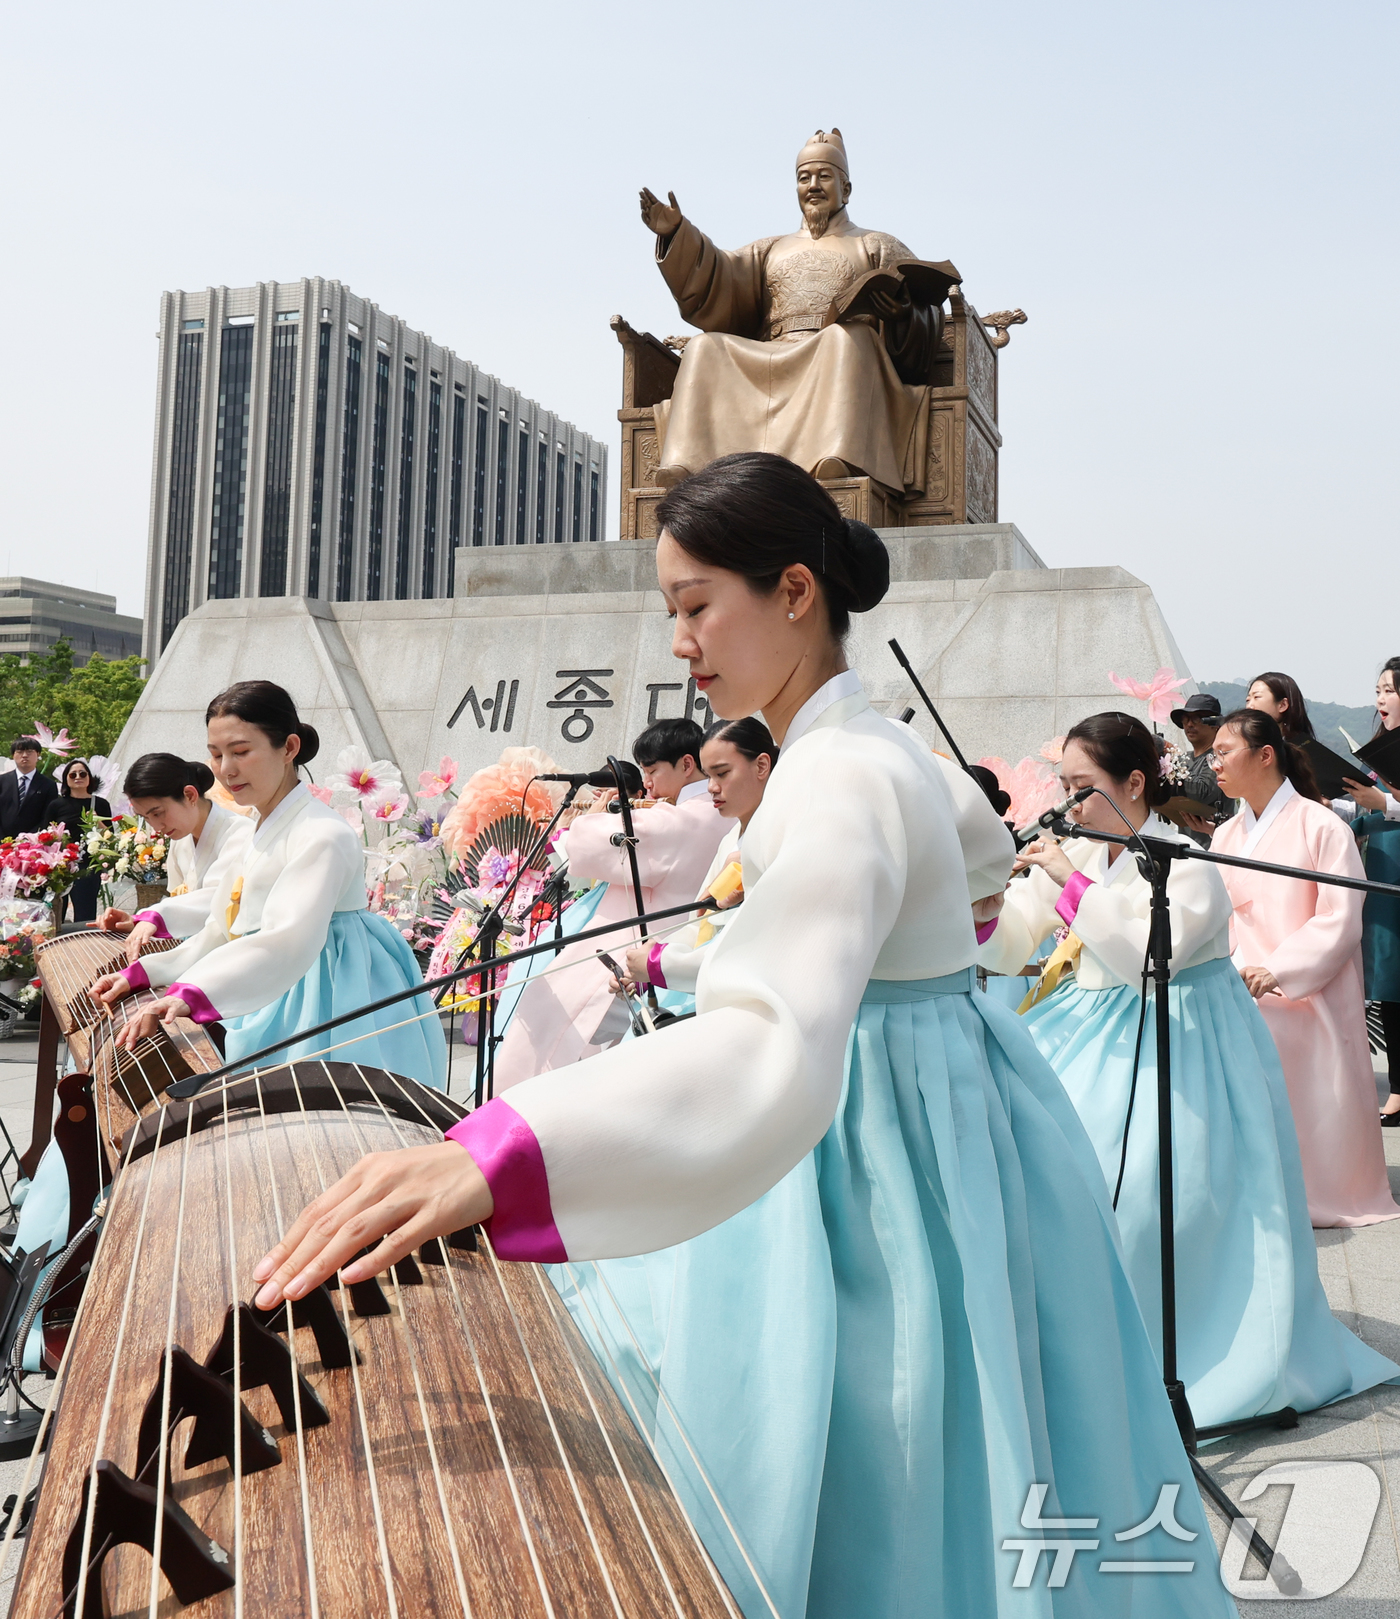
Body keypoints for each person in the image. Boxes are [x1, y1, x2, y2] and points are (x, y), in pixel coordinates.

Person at [253, 453, 1233, 1619]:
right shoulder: (879, 752)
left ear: (794, 591)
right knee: (972, 1430)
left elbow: (772, 1030)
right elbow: (976, 866)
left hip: (856, 1131)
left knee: (875, 1449)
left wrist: (495, 1150)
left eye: (695, 603)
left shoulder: (838, 775)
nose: (680, 640)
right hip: (927, 1103)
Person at [978, 711, 1397, 1429]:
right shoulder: (1086, 852)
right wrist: (985, 903)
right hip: (1095, 1038)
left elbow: (1149, 955)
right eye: (1067, 788)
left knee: (1155, 1198)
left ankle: (1189, 1357)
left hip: (1185, 1047)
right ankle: (1081, 1356)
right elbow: (1016, 935)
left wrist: (1070, 886)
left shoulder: (1183, 856)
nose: (1070, 806)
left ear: (1134, 782)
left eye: (1084, 788)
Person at [89, 681, 446, 1089]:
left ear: (289, 748)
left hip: (329, 985)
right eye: (216, 754)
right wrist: (145, 972)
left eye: (241, 752)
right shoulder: (257, 829)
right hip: (266, 977)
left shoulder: (322, 834)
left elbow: (285, 939)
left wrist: (192, 993)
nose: (226, 769)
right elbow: (224, 928)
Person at [1210, 707, 1400, 1226]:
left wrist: (1279, 970)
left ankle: (1318, 1190)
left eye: (1223, 753)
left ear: (1265, 754)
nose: (1214, 765)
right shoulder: (1225, 835)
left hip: (1306, 985)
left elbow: (1340, 916)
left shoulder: (1320, 825)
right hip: (1241, 982)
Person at [492, 717, 731, 1088]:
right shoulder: (722, 816)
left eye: (652, 771)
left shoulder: (684, 818)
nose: (647, 782)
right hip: (683, 951)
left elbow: (585, 846)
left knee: (546, 1028)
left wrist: (599, 813)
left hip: (643, 953)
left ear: (687, 765)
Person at [622, 716, 776, 996]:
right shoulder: (731, 838)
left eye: (722, 773)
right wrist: (648, 972)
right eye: (709, 776)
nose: (711, 787)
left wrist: (659, 964)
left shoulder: (779, 838)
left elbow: (755, 949)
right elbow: (697, 922)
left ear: (762, 766)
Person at [95, 754, 254, 957]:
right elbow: (180, 907)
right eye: (146, 817)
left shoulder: (241, 832)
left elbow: (218, 898)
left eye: (158, 813)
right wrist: (135, 921)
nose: (156, 826)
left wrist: (153, 917)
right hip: (195, 952)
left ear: (189, 795)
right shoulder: (180, 840)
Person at [1340, 659, 1400, 1122]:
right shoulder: (1379, 753)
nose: (1380, 699)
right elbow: (1369, 815)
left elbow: (1385, 807)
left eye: (1389, 690)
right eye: (1377, 690)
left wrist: (1387, 802)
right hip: (1381, 871)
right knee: (1388, 982)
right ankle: (1397, 1087)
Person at [52, 759, 112, 923]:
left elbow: (110, 836)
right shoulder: (56, 805)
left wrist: (97, 822)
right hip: (61, 865)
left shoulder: (100, 804)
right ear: (66, 779)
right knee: (56, 911)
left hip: (88, 865)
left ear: (89, 778)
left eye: (83, 773)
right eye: (73, 774)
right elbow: (47, 834)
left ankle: (85, 945)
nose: (78, 777)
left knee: (85, 914)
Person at [1168, 692, 1230, 840]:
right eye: (1185, 719)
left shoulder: (1221, 757)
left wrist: (1166, 776)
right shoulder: (1183, 758)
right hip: (1187, 846)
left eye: (1197, 719)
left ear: (1215, 725)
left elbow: (1203, 791)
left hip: (1215, 846)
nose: (1189, 724)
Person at [0, 738, 59, 838]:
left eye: (29, 752)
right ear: (13, 755)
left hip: (33, 843)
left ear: (38, 754)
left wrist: (29, 839)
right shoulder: (2, 781)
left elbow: (47, 817)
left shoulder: (48, 785)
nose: (24, 755)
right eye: (20, 751)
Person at [1246, 670, 1316, 742]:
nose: (1249, 706)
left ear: (1283, 705)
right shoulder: (1246, 744)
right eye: (1248, 700)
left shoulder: (1304, 750)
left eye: (1257, 697)